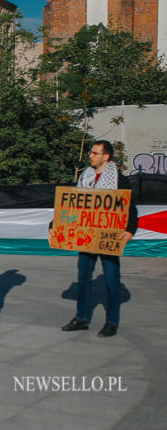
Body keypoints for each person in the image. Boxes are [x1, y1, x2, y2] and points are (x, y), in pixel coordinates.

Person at [57, 140, 138, 337]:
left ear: (106, 156)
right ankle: (82, 318)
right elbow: (72, 205)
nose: (90, 156)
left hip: (108, 237)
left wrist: (130, 230)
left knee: (111, 281)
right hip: (86, 236)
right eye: (91, 152)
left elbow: (129, 207)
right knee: (83, 279)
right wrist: (55, 226)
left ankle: (111, 322)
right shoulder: (85, 177)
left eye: (94, 153)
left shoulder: (119, 180)